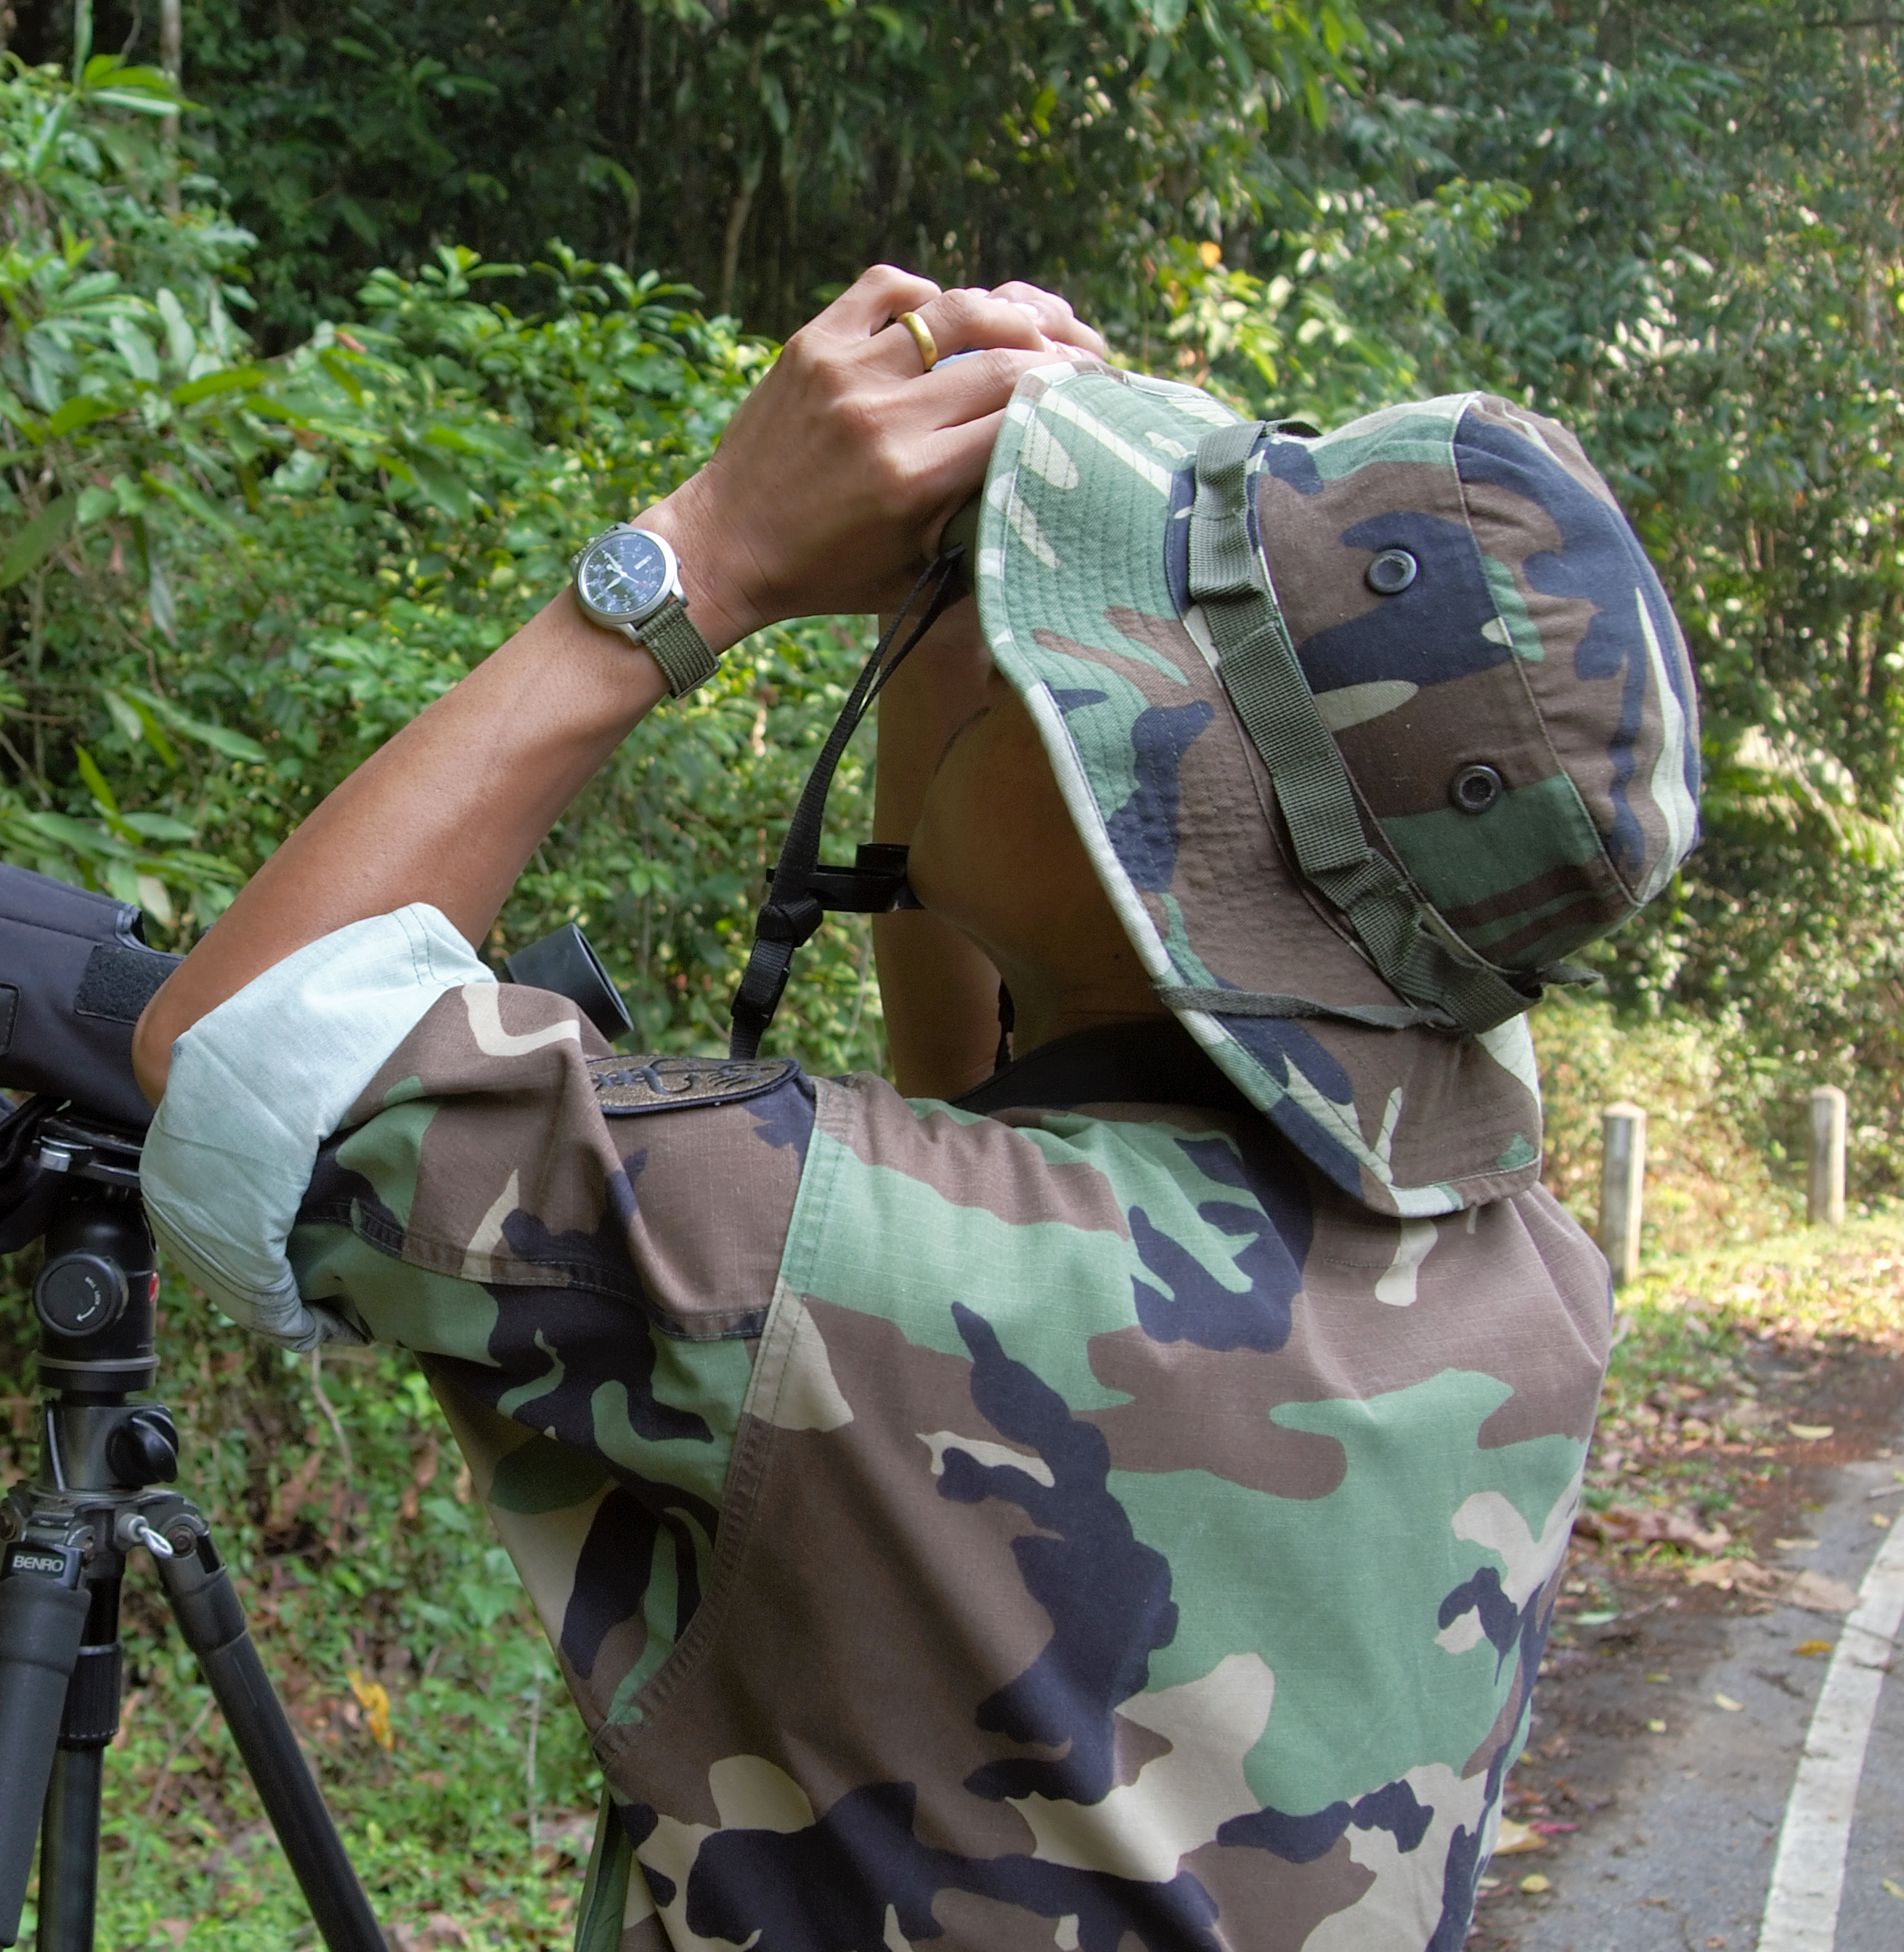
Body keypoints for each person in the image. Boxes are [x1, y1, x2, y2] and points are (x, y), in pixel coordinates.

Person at [128, 267, 1702, 1952]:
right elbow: (1012, 1126)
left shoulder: (787, 1262)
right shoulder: (1531, 1282)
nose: (1023, 658)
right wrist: (960, 626)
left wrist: (702, 556)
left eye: (1086, 661)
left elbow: (231, 1045)